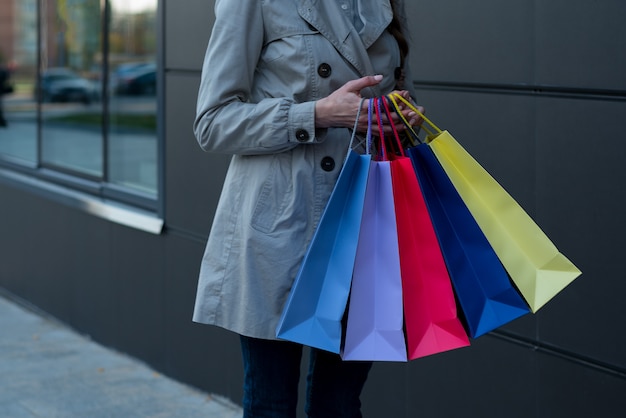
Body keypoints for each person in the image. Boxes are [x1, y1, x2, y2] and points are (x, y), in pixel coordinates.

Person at [192, 1, 423, 416]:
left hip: (363, 223)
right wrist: (317, 114)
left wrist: (401, 119)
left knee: (340, 403)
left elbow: (388, 94)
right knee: (271, 403)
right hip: (281, 225)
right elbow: (212, 123)